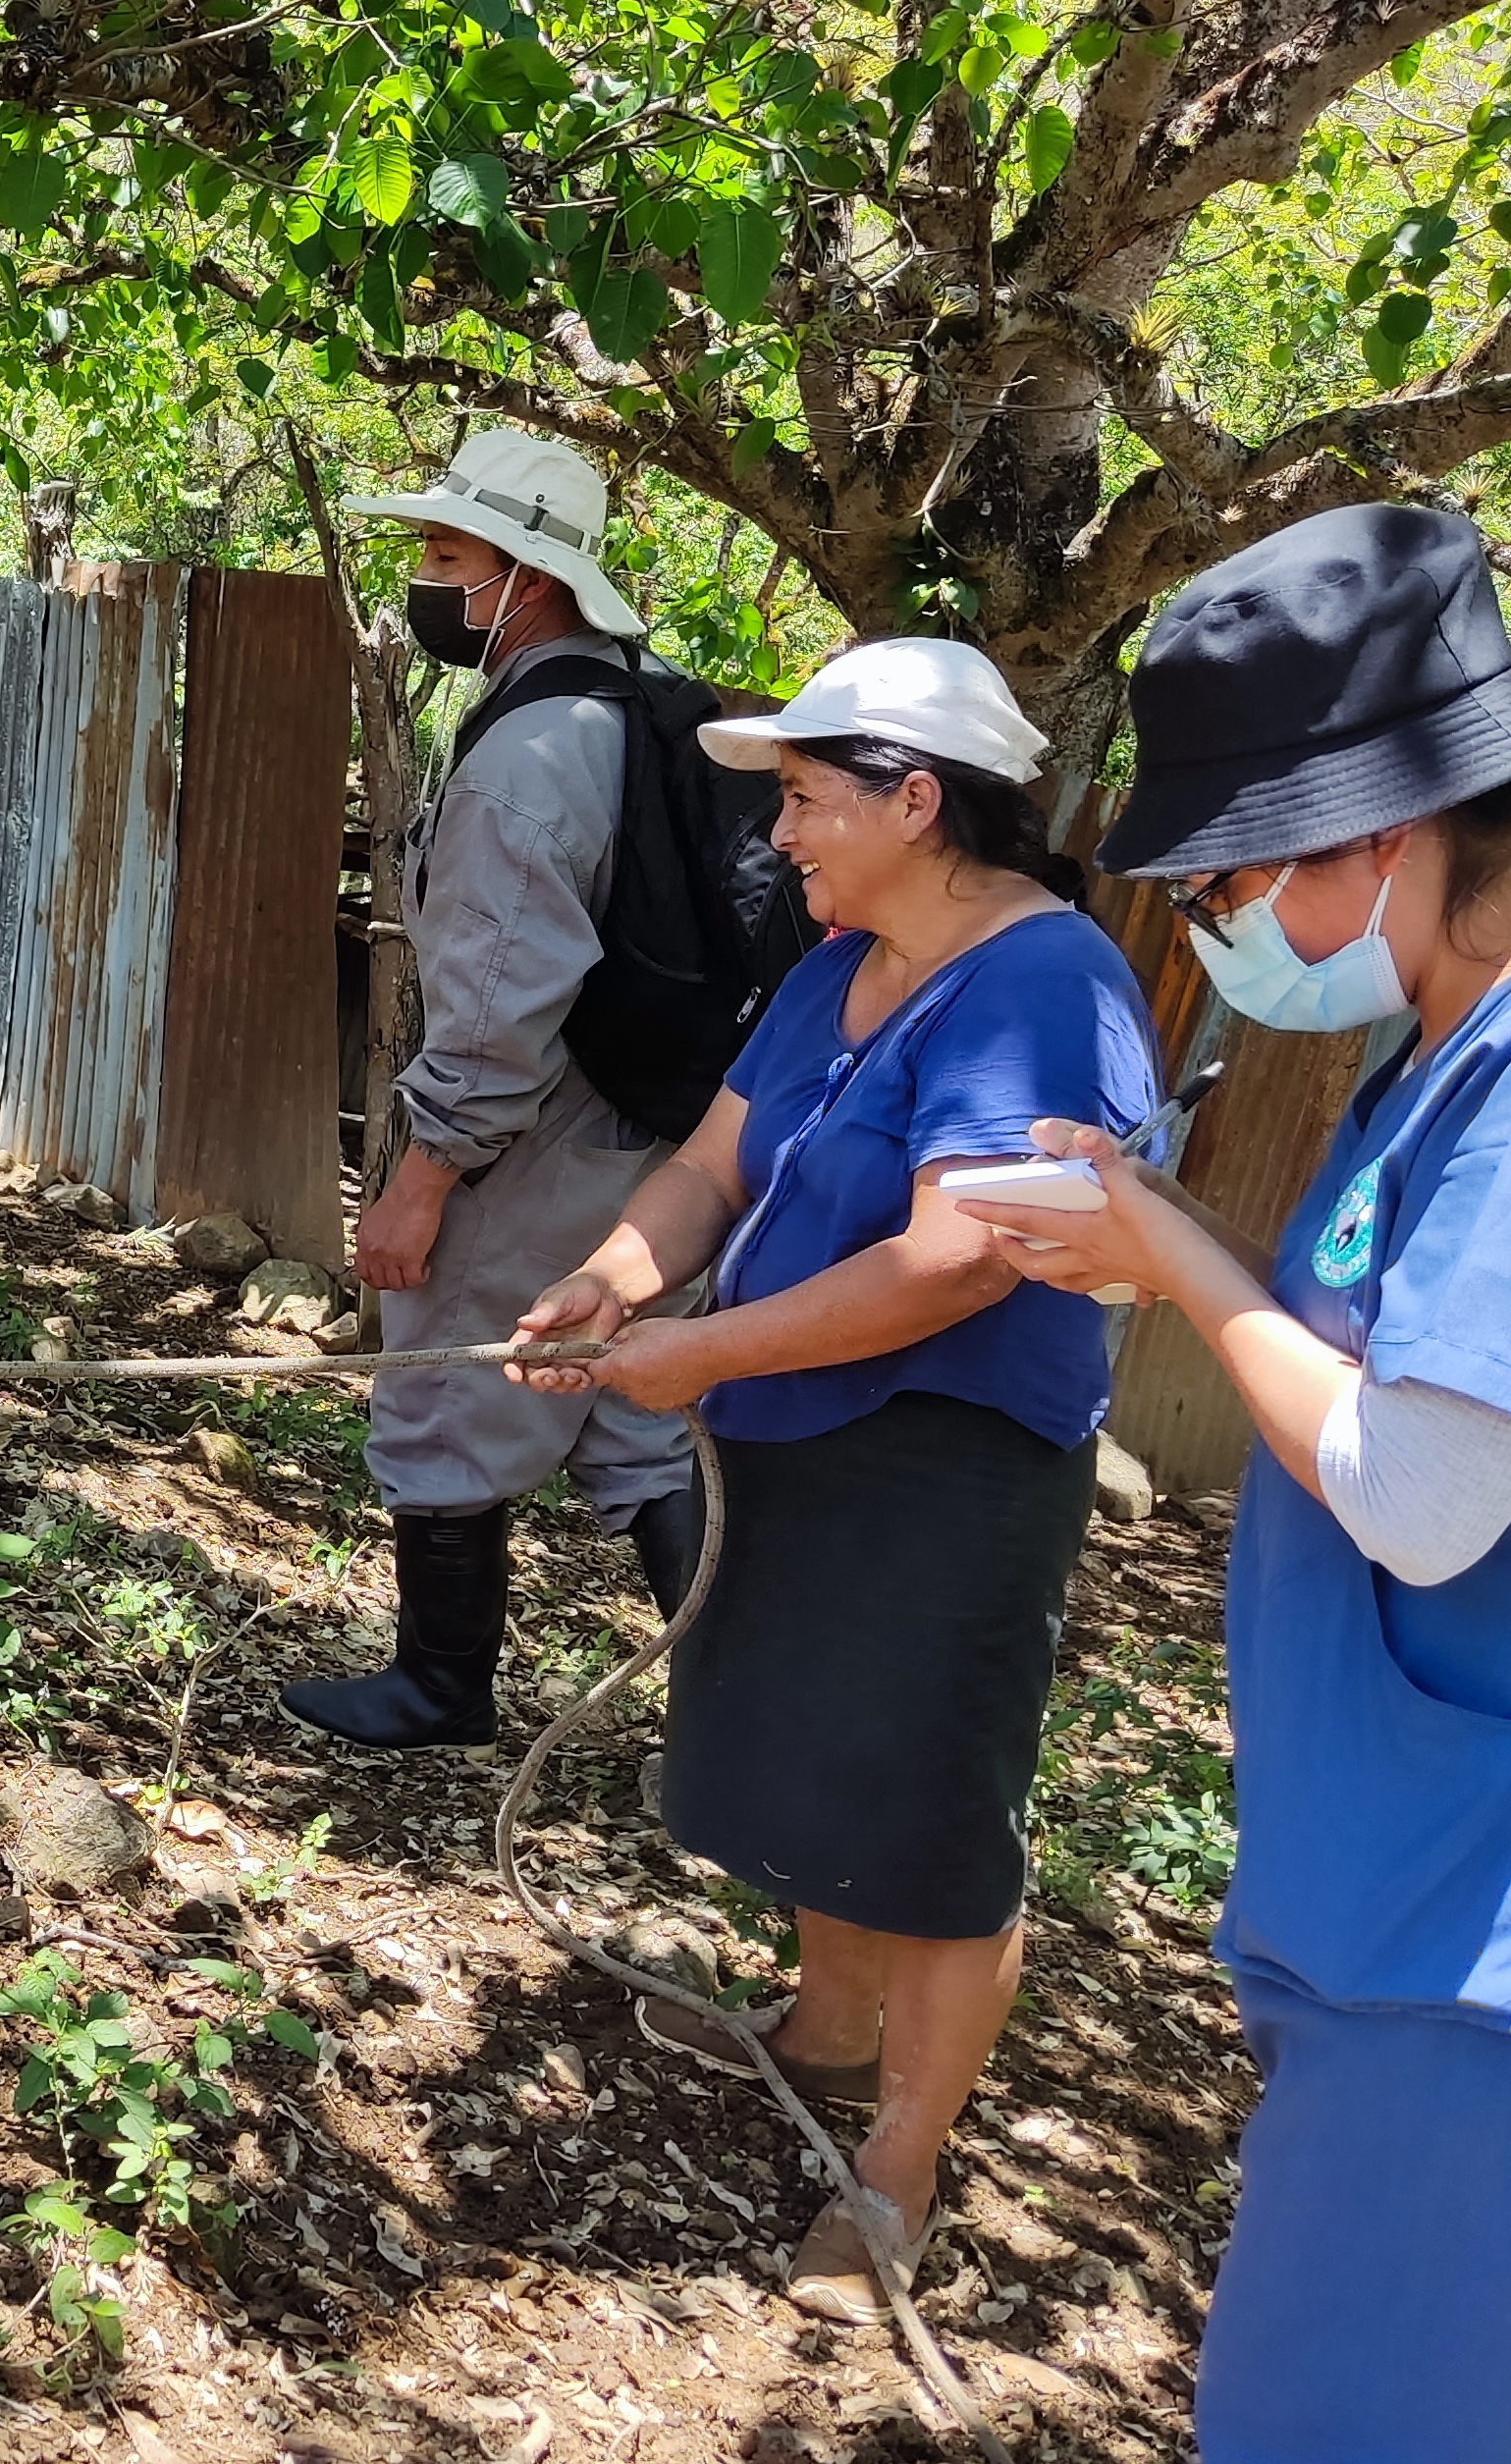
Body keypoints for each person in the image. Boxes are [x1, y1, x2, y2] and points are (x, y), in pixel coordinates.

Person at [960, 504, 1511, 2464]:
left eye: (1224, 876)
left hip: (1501, 1940)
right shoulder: (1467, 1042)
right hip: (1430, 1888)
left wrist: (1163, 1253)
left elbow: (1419, 1491)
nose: (1214, 922)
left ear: (1371, 838)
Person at [508, 636, 1160, 2318]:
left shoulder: (1042, 986)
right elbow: (718, 1160)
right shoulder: (841, 958)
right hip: (797, 1427)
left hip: (949, 1463)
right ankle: (824, 2027)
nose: (780, 837)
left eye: (803, 800)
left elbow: (959, 1262)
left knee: (934, 1817)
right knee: (806, 1749)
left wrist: (699, 1356)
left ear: (917, 798)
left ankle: (900, 2171)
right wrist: (619, 1280)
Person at [278, 432, 707, 1752]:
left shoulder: (533, 756)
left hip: (540, 1141)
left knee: (444, 1393)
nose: (423, 578)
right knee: (635, 1416)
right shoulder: (656, 701)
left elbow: (500, 1004)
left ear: (528, 578)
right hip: (668, 1141)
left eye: (446, 555)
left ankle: (440, 1683)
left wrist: (420, 1181)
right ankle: (735, 1711)